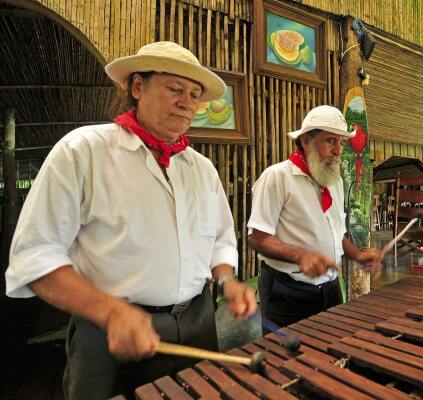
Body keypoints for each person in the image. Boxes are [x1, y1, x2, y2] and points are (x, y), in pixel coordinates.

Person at [4, 41, 256, 399]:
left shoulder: (202, 169)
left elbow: (220, 239)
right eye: (175, 89)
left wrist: (227, 280)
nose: (187, 102)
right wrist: (110, 312)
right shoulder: (83, 151)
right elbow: (33, 256)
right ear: (137, 87)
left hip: (199, 324)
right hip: (108, 337)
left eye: (195, 94)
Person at [247, 105, 384, 330]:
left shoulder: (335, 181)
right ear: (306, 141)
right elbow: (257, 237)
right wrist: (300, 256)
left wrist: (358, 256)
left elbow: (336, 234)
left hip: (330, 289)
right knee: (286, 360)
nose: (338, 150)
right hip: (286, 291)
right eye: (330, 141)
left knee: (332, 353)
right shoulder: (277, 177)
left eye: (341, 142)